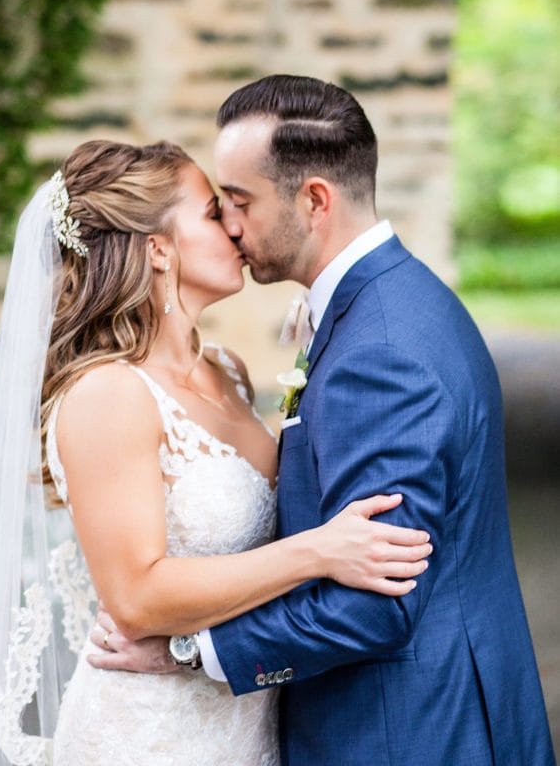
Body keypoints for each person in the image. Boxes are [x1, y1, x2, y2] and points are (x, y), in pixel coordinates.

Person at [90, 77, 556, 766]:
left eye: (240, 201)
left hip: (404, 731)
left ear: (313, 200)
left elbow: (379, 603)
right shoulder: (387, 302)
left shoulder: (380, 351)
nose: (230, 223)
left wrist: (190, 650)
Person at [0, 137, 432, 766]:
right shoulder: (108, 393)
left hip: (245, 717)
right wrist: (318, 552)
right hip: (152, 734)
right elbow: (137, 596)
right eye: (211, 211)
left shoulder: (226, 369)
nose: (234, 226)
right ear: (158, 249)